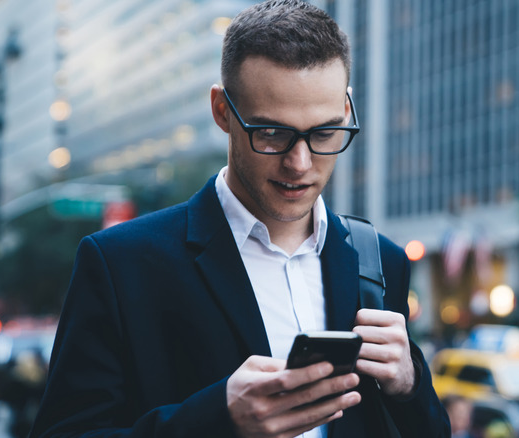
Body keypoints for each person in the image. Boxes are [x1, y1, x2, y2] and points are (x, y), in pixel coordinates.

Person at [30, 1, 450, 437]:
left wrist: (410, 383)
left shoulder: (380, 260)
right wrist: (218, 420)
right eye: (272, 133)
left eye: (324, 133)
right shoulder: (121, 264)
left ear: (346, 112)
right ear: (222, 112)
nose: (300, 163)